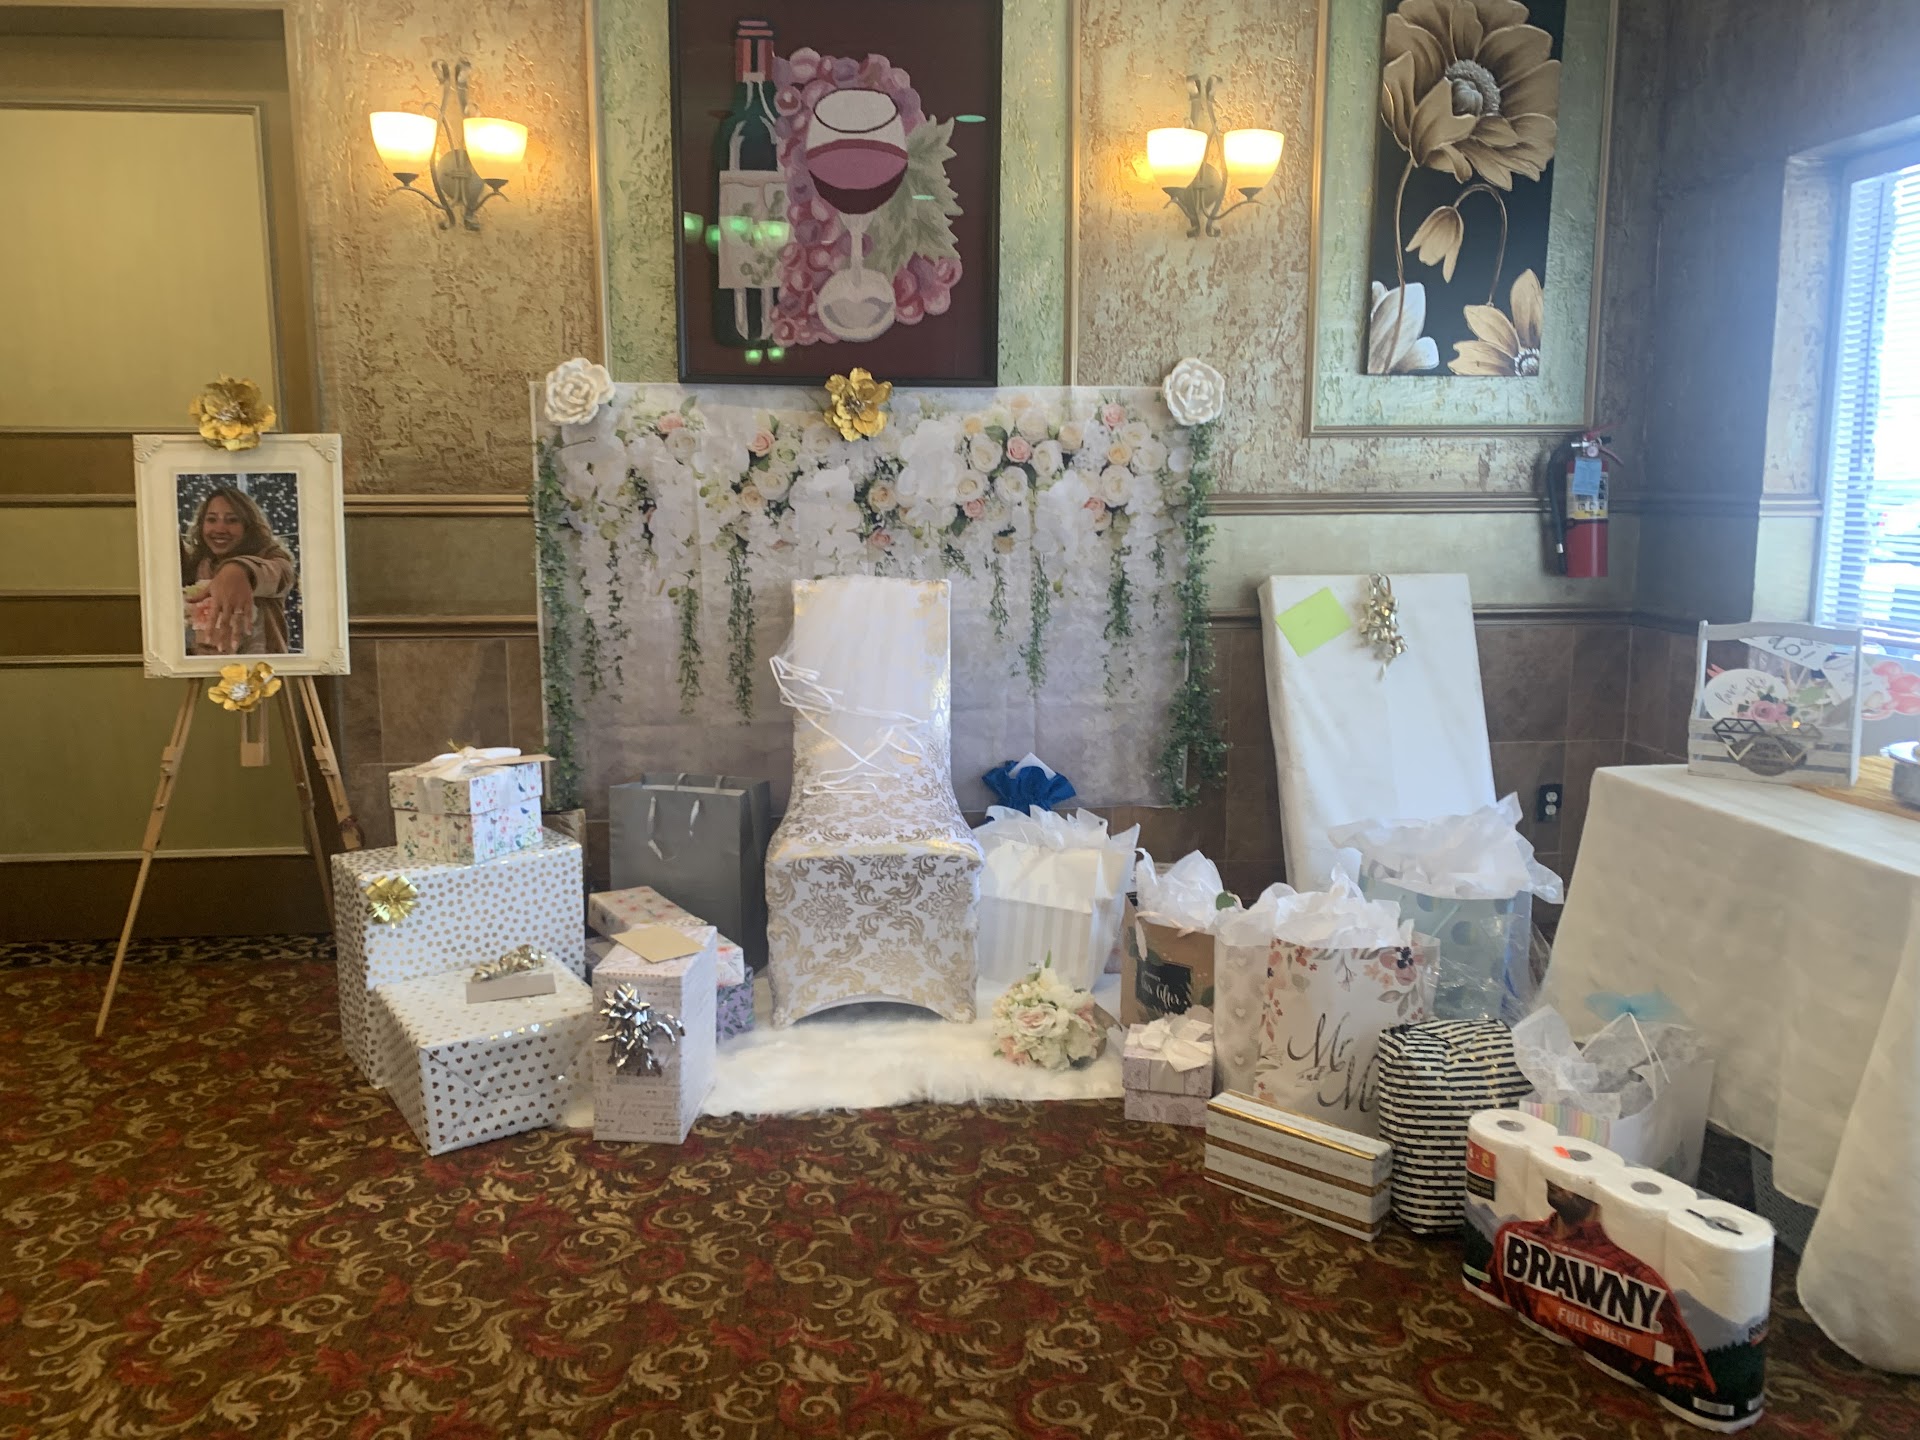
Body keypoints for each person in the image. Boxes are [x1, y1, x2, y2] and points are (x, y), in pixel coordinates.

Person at [179, 485, 297, 655]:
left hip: (260, 668)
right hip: (206, 667)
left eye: (232, 520)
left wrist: (239, 569)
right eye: (211, 519)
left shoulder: (270, 558)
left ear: (248, 525)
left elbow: (280, 574)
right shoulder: (198, 564)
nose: (220, 529)